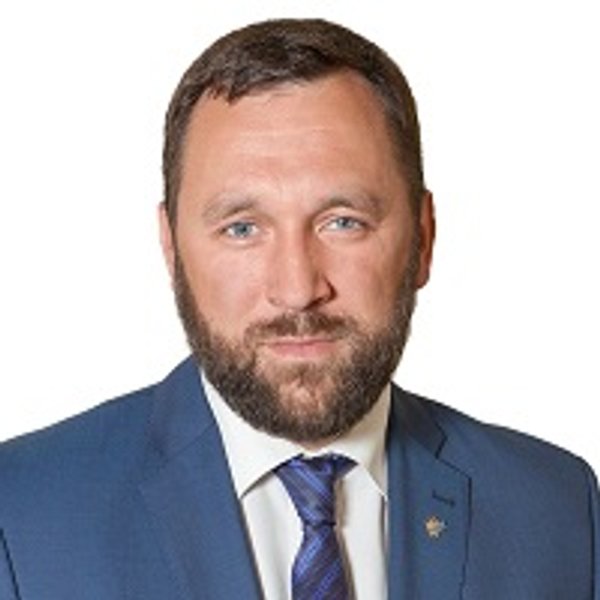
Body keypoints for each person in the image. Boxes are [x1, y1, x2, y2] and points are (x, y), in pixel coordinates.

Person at [0, 17, 597, 599]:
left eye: (343, 222)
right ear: (171, 249)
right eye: (242, 228)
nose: (297, 289)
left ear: (423, 238)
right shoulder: (20, 515)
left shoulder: (559, 508)